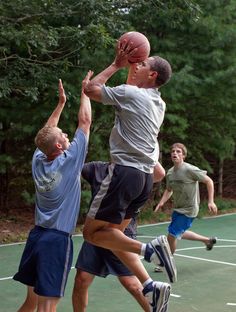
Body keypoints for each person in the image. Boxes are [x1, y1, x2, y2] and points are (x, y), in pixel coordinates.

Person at [82, 39, 176, 312]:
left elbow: (90, 90)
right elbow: (131, 89)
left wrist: (115, 64)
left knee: (91, 233)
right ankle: (150, 286)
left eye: (143, 64)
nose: (138, 65)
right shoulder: (158, 102)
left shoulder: (131, 95)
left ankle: (151, 250)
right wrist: (131, 68)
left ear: (153, 74)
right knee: (113, 238)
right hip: (145, 179)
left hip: (124, 173)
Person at [13, 72, 92, 312]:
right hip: (56, 240)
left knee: (31, 302)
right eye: (64, 136)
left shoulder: (39, 159)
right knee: (47, 307)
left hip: (36, 236)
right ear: (59, 146)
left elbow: (46, 132)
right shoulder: (70, 161)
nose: (67, 135)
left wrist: (60, 104)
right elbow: (85, 122)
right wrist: (85, 92)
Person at [72, 161, 165, 312]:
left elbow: (160, 174)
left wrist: (146, 150)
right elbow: (74, 165)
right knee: (81, 279)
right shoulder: (97, 168)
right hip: (97, 231)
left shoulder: (135, 170)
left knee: (132, 285)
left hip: (120, 233)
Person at [154, 142, 218, 259]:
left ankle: (167, 260)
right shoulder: (170, 173)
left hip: (190, 209)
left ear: (183, 156)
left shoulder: (189, 169)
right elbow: (169, 190)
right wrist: (162, 202)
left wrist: (211, 201)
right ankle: (207, 241)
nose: (175, 153)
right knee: (180, 232)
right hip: (178, 208)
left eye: (178, 151)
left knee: (172, 234)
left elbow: (209, 181)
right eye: (173, 151)